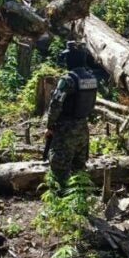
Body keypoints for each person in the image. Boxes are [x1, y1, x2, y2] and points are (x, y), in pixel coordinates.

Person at [45, 41, 98, 188]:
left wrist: (49, 126)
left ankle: (61, 200)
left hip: (66, 129)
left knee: (59, 167)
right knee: (79, 168)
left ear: (71, 58)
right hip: (83, 128)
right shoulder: (91, 78)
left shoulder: (67, 80)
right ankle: (79, 198)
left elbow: (55, 104)